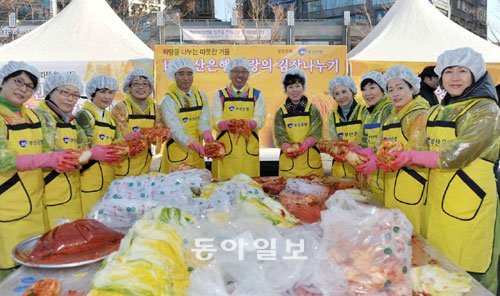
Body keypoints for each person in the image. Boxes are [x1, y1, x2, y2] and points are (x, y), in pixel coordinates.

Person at [390, 48, 499, 293]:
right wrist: (394, 155)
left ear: (476, 75)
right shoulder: (438, 109)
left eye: (462, 71)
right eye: (448, 71)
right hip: (438, 199)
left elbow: (459, 152)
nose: (455, 77)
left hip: (471, 200)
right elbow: (417, 144)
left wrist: (413, 156)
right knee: (439, 267)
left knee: (469, 271)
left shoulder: (485, 109)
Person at [0, 62, 79, 272]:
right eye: (18, 81)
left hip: (36, 205)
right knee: (10, 269)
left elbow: (47, 152)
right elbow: (3, 160)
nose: (23, 89)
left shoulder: (33, 116)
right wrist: (48, 160)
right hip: (6, 207)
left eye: (29, 86)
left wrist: (61, 162)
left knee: (35, 266)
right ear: (3, 80)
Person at [376, 65, 430, 233]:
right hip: (391, 183)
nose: (395, 93)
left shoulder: (418, 113)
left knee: (411, 235)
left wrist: (394, 157)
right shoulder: (391, 115)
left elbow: (417, 147)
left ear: (412, 88)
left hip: (412, 185)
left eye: (400, 88)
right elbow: (379, 145)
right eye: (390, 89)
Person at [38, 72, 89, 228]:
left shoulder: (70, 119)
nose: (70, 98)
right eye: (65, 92)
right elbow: (40, 155)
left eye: (75, 95)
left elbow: (84, 146)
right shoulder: (40, 117)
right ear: (50, 92)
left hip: (72, 191)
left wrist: (84, 156)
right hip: (49, 196)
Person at [75, 75, 123, 215]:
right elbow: (81, 148)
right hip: (87, 179)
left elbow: (118, 142)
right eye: (102, 91)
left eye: (110, 92)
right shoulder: (84, 115)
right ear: (92, 93)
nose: (107, 96)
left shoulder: (110, 119)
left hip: (107, 177)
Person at [211, 58, 266, 179]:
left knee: (249, 187)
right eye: (235, 71)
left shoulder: (256, 95)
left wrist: (250, 124)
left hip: (249, 148)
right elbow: (215, 120)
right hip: (225, 150)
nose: (240, 75)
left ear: (248, 75)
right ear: (229, 74)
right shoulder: (220, 95)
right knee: (223, 185)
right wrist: (224, 124)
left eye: (244, 71)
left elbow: (260, 119)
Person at [159, 58, 213, 173]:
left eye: (189, 73)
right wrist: (189, 142)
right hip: (177, 153)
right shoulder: (168, 100)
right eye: (181, 74)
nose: (186, 78)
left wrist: (207, 134)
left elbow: (204, 120)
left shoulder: (201, 96)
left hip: (197, 154)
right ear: (174, 76)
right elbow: (174, 129)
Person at [274, 69, 323, 177]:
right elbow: (279, 134)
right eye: (290, 87)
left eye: (297, 86)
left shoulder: (312, 109)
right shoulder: (280, 112)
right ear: (285, 90)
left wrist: (307, 143)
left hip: (311, 164)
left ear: (303, 87)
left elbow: (317, 131)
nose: (294, 90)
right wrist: (285, 145)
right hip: (288, 165)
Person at [112, 69, 162, 177]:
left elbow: (157, 138)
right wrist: (147, 134)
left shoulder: (156, 109)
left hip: (145, 165)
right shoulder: (120, 108)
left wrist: (159, 135)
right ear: (129, 88)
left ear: (150, 88)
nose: (141, 87)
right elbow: (123, 137)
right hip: (123, 166)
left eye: (145, 84)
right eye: (136, 84)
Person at [353, 71, 393, 201]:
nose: (367, 93)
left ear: (382, 88)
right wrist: (355, 149)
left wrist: (376, 159)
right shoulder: (367, 112)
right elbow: (363, 138)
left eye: (372, 87)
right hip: (371, 175)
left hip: (387, 174)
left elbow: (388, 142)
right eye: (364, 89)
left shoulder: (388, 109)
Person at [327, 75, 364, 178]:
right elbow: (332, 140)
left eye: (344, 92)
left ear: (352, 91)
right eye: (337, 94)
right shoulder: (333, 116)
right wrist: (335, 150)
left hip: (361, 168)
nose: (341, 97)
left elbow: (366, 137)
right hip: (339, 170)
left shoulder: (364, 111)